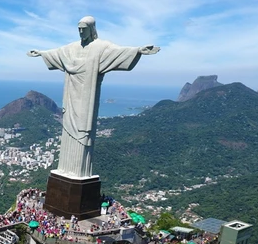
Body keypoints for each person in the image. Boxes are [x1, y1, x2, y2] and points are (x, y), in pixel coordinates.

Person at [28, 16, 159, 178]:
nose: (81, 32)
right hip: (70, 98)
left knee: (83, 132)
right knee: (68, 132)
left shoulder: (101, 47)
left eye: (84, 29)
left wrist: (138, 50)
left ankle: (80, 171)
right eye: (79, 29)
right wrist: (41, 53)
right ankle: (65, 168)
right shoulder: (71, 48)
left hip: (86, 99)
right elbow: (57, 53)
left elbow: (119, 53)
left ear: (92, 29)